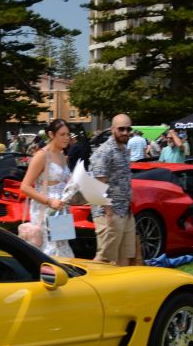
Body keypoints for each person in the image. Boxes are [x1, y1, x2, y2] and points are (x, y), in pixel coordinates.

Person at [18, 119, 79, 259]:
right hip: (45, 209)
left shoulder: (62, 155)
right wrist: (49, 201)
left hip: (61, 210)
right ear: (51, 134)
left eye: (68, 134)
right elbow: (25, 186)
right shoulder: (41, 155)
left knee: (62, 246)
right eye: (62, 134)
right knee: (49, 250)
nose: (66, 138)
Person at [90, 114, 136, 266]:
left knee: (125, 257)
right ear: (112, 129)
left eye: (128, 129)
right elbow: (97, 185)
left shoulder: (124, 149)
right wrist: (109, 212)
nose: (125, 132)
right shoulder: (105, 151)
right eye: (121, 129)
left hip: (124, 211)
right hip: (108, 213)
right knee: (104, 260)